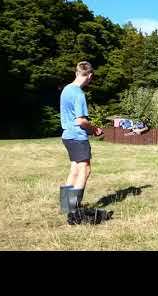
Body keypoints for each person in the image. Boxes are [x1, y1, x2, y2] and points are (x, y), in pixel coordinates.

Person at [59, 61, 103, 218]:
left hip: (67, 136)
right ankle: (74, 211)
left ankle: (66, 206)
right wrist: (95, 129)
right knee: (85, 169)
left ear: (76, 73)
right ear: (89, 76)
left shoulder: (66, 90)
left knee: (75, 169)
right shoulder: (79, 93)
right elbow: (81, 121)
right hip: (77, 136)